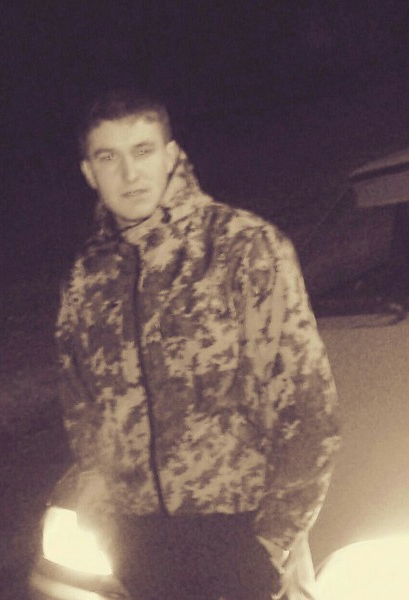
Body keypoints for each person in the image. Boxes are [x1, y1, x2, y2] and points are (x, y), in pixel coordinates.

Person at [55, 88, 340, 600]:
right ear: (89, 173)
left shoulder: (243, 247)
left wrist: (272, 539)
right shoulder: (87, 278)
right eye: (109, 157)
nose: (129, 173)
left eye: (143, 151)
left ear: (170, 156)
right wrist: (108, 526)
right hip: (141, 550)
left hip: (242, 536)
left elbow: (309, 408)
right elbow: (82, 407)